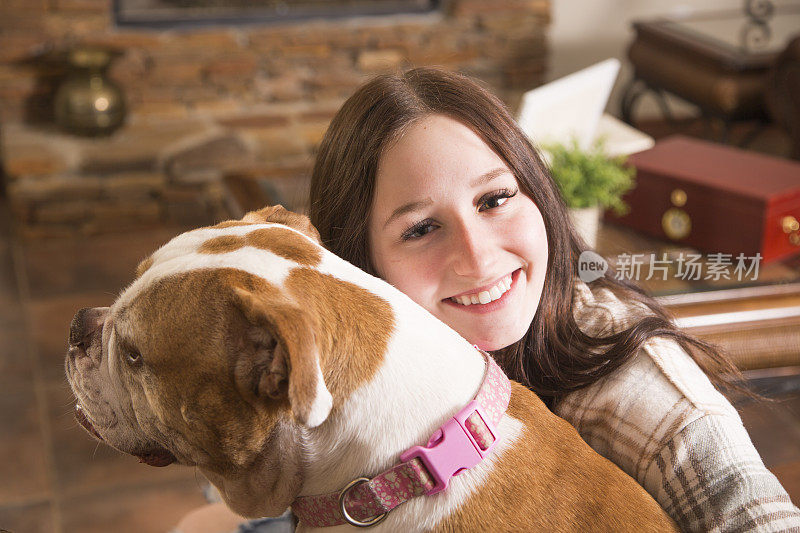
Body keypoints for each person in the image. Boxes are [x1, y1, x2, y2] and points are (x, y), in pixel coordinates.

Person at [186, 68, 800, 532]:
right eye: (421, 228)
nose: (478, 258)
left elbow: (756, 513)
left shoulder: (631, 380)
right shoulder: (346, 359)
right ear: (358, 264)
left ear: (536, 191)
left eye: (495, 199)